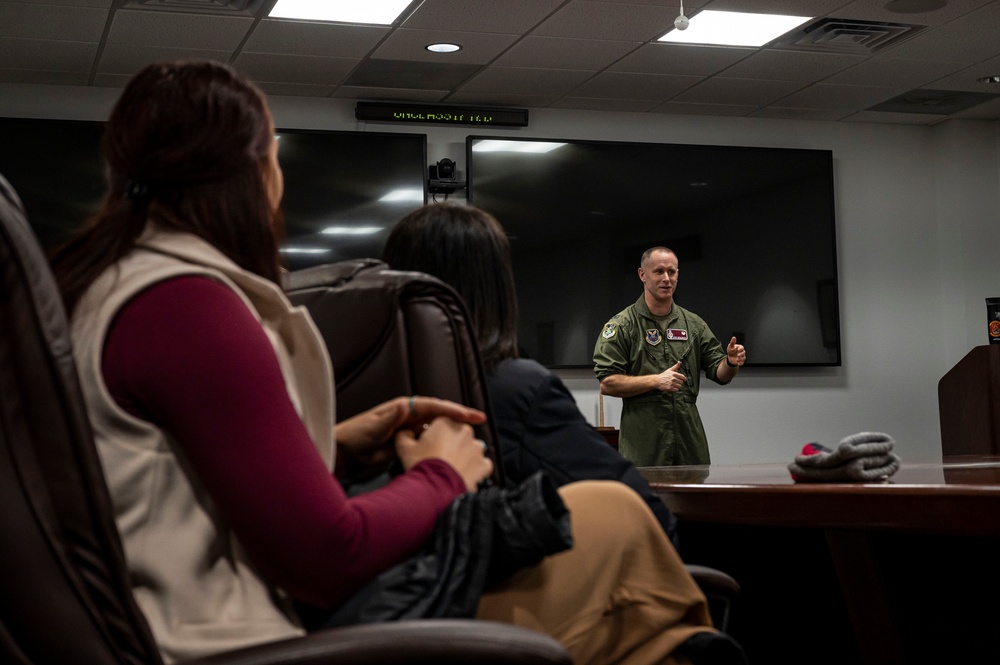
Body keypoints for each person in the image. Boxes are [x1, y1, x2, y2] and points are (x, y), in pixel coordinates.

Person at [49, 60, 721, 665]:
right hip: (236, 639)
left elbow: (183, 480)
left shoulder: (110, 290)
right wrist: (440, 473)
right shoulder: (189, 307)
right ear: (254, 172)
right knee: (629, 537)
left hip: (196, 619)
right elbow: (325, 556)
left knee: (643, 604)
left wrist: (338, 445)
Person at [382, 202, 681, 546]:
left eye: (672, 271)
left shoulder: (364, 392)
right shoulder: (518, 388)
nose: (667, 278)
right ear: (498, 291)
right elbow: (651, 521)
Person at [593, 247, 746, 467]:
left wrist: (731, 362)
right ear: (642, 275)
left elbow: (721, 374)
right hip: (644, 442)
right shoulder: (622, 325)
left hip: (688, 440)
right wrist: (656, 380)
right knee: (648, 500)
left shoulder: (693, 324)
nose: (667, 279)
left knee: (695, 499)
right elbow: (607, 383)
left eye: (672, 272)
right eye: (659, 272)